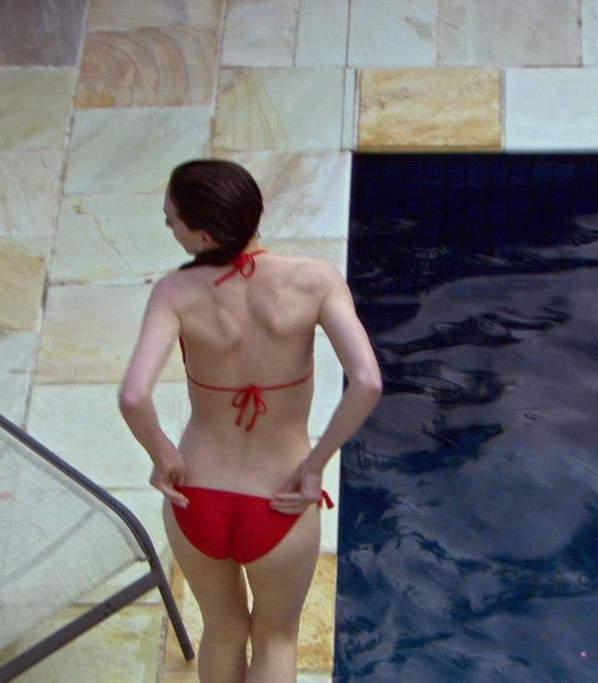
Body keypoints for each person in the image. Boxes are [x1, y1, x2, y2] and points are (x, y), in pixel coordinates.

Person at [120, 159, 382, 682]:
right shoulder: (315, 281)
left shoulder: (174, 293)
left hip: (196, 499)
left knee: (222, 631)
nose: (168, 226)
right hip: (279, 500)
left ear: (204, 234)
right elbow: (367, 381)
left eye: (171, 219)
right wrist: (315, 465)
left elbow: (133, 395)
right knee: (276, 638)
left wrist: (163, 454)